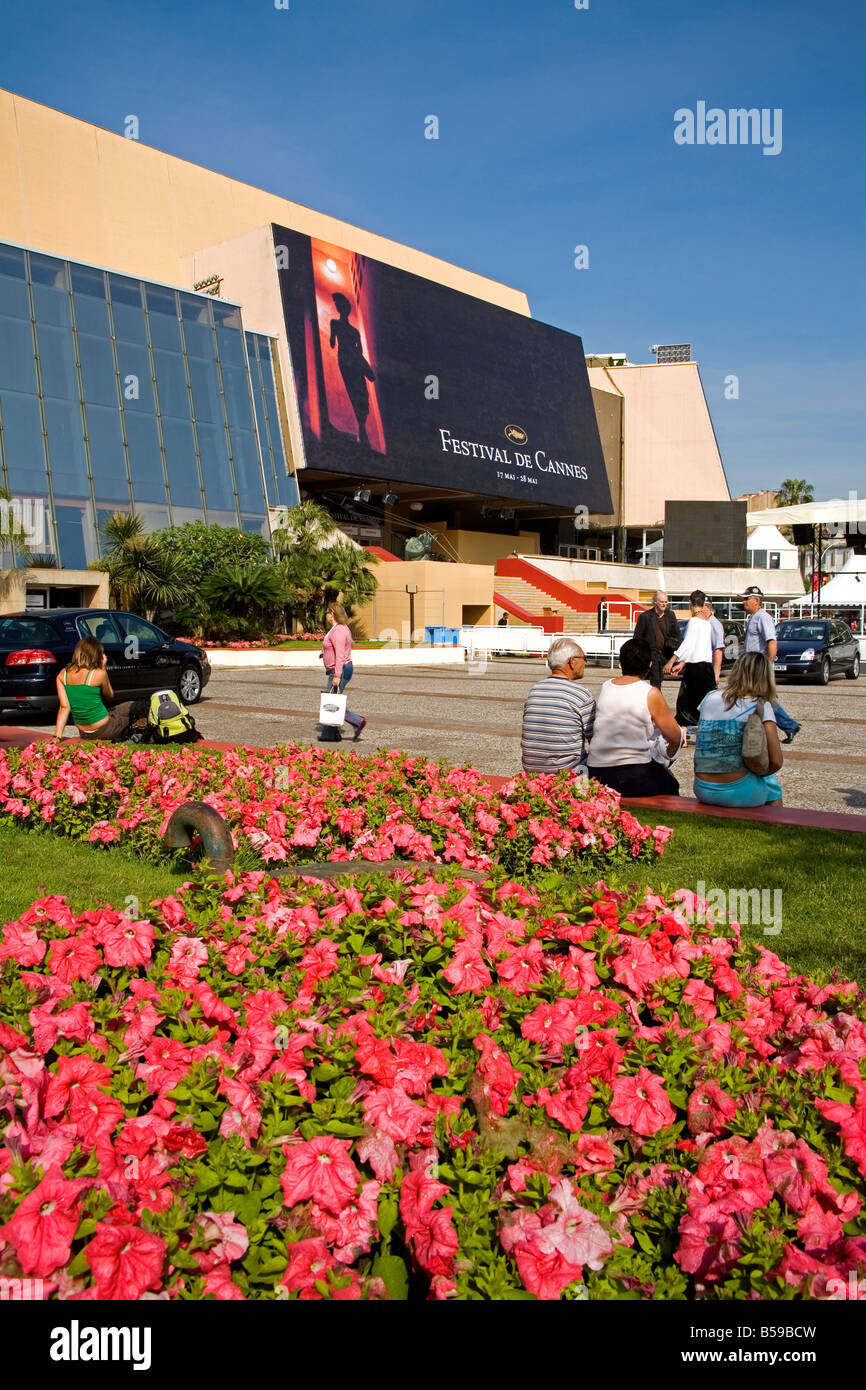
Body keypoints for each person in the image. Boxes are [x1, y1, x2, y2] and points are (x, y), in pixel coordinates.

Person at [587, 637, 685, 796]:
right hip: (632, 770)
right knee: (670, 784)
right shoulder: (649, 692)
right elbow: (674, 735)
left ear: (621, 663)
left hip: (596, 769)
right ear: (650, 665)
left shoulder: (606, 686)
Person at [693, 652, 783, 807]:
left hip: (702, 787)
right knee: (771, 782)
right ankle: (776, 826)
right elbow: (776, 761)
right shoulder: (760, 705)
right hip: (738, 792)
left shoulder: (709, 698)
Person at [521, 637, 596, 775]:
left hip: (532, 772)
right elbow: (596, 741)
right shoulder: (581, 695)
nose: (585, 662)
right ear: (572, 661)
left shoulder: (535, 690)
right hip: (568, 775)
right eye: (583, 658)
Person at [741, 586, 800, 743]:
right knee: (758, 699)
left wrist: (768, 665)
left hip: (759, 667)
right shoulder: (753, 617)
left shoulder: (763, 617)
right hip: (751, 666)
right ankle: (786, 725)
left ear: (756, 601)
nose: (744, 602)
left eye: (746, 599)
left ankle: (789, 725)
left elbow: (772, 642)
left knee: (762, 699)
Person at [53, 637, 136, 742]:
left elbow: (64, 707)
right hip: (105, 729)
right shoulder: (98, 674)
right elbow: (109, 696)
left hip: (84, 732)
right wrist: (103, 669)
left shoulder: (62, 675)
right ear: (96, 655)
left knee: (128, 706)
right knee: (135, 712)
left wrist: (57, 736)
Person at [666, 590, 716, 728]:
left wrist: (672, 660)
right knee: (707, 703)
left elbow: (688, 644)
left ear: (690, 603)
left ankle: (683, 736)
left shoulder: (693, 622)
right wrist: (682, 663)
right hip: (707, 668)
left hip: (695, 669)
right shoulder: (707, 624)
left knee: (684, 703)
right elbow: (699, 647)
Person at [329, 294, 375, 445]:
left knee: (362, 391)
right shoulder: (334, 323)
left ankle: (362, 427)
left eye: (340, 304)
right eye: (337, 304)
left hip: (354, 361)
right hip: (345, 361)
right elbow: (332, 343)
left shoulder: (355, 331)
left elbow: (360, 351)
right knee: (353, 391)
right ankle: (361, 429)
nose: (339, 307)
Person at [318, 602, 365, 743]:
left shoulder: (338, 630)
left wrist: (337, 675)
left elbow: (340, 655)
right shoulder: (341, 628)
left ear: (332, 613)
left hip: (340, 669)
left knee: (331, 702)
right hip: (342, 667)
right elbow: (349, 645)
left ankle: (357, 722)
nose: (325, 615)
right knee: (333, 699)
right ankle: (332, 734)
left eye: (327, 612)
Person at [633, 590, 682, 689]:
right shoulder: (645, 617)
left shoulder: (670, 615)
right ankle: (656, 701)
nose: (664, 604)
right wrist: (645, 658)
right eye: (661, 602)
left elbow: (678, 635)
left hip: (666, 653)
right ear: (655, 602)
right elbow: (637, 639)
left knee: (662, 680)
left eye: (666, 602)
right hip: (652, 654)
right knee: (655, 683)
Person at [705, 598, 726, 683]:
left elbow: (718, 650)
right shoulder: (704, 622)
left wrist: (716, 673)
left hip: (709, 668)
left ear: (707, 607)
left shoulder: (714, 624)